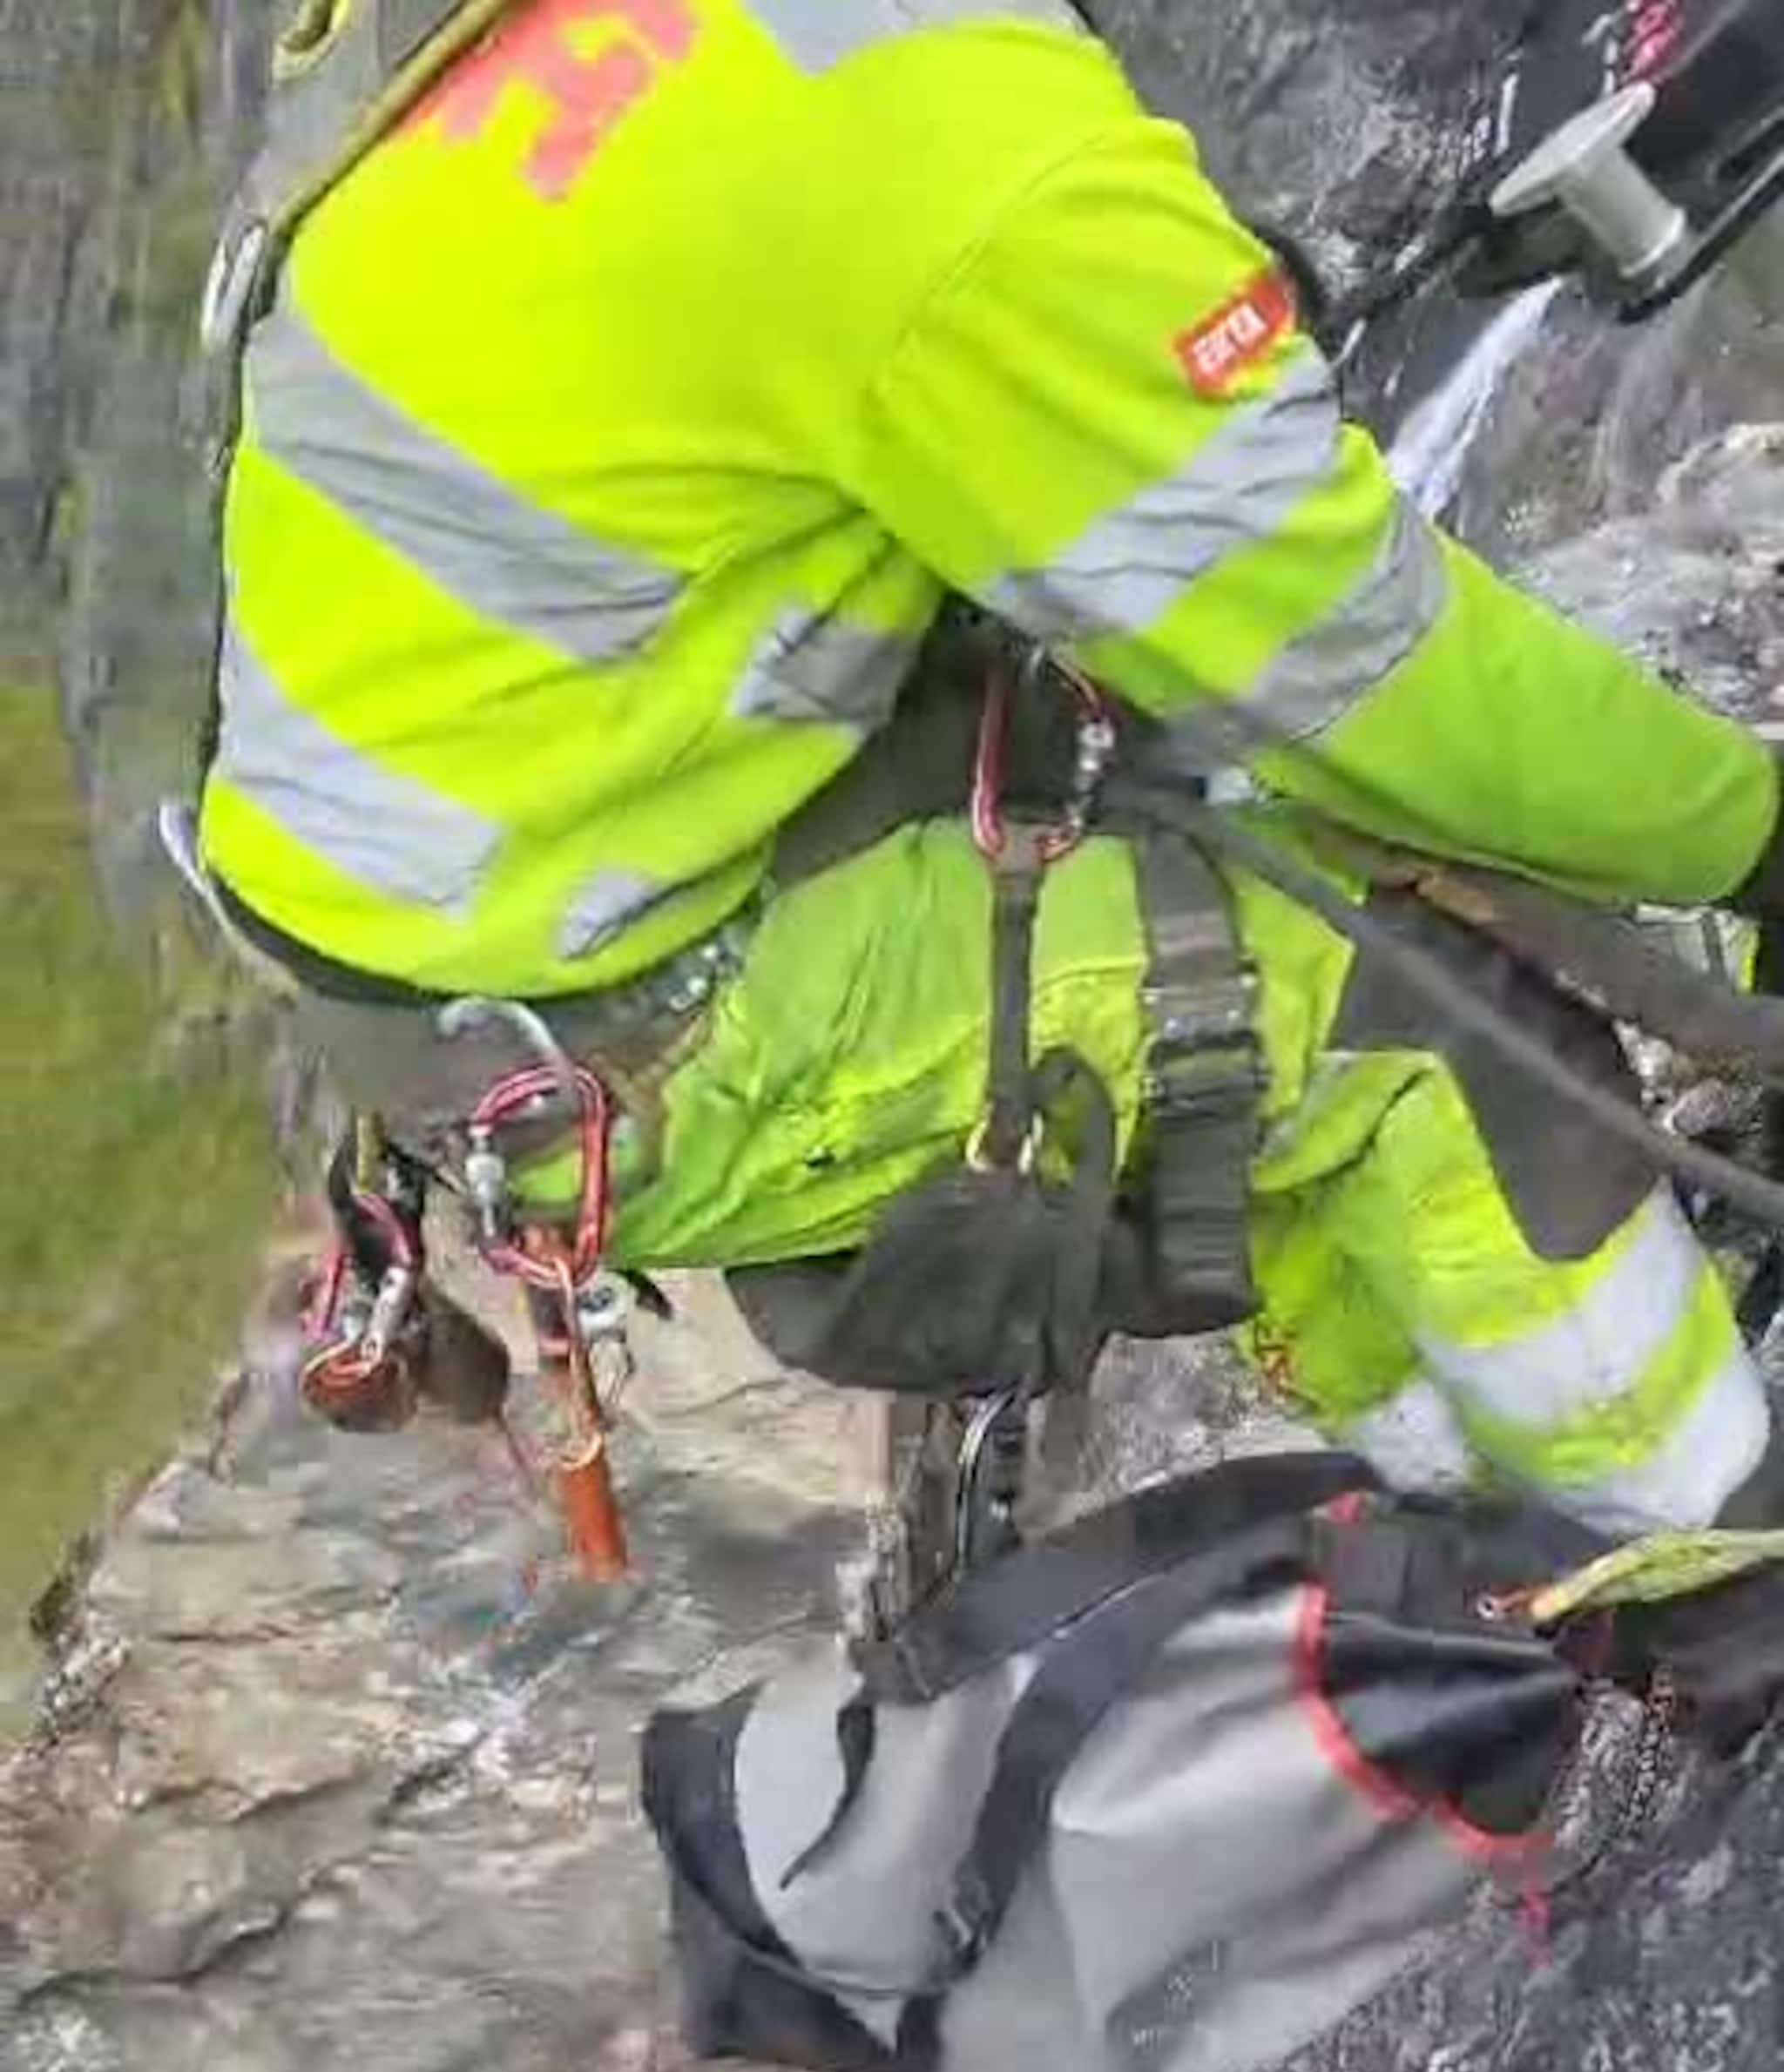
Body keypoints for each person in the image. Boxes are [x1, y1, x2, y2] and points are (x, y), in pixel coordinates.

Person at [186, 0, 1784, 1563]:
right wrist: (1754, 837)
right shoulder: (915, 117)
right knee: (1410, 1014)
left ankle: (1477, 1530)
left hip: (495, 935)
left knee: (1230, 975)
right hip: (638, 1018)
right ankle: (1710, 1563)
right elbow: (1374, 680)